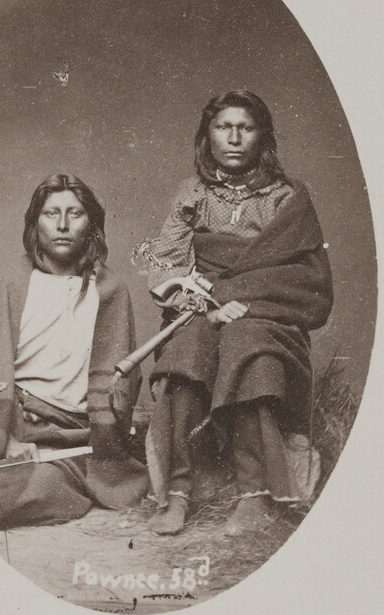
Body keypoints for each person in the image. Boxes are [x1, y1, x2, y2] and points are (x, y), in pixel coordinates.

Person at [142, 91, 333, 536]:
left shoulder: (287, 197)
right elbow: (166, 264)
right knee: (187, 349)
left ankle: (256, 492)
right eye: (222, 127)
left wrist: (240, 298)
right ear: (206, 135)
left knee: (249, 346)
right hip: (205, 309)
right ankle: (177, 489)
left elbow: (306, 279)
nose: (233, 138)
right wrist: (209, 306)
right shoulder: (193, 194)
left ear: (261, 136)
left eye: (245, 128)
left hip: (268, 314)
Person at [0, 174, 148, 532]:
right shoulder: (8, 282)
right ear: (34, 223)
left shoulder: (110, 291)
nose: (62, 224)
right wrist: (6, 435)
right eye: (51, 213)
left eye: (75, 214)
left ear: (91, 225)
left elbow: (120, 384)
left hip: (64, 436)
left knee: (20, 493)